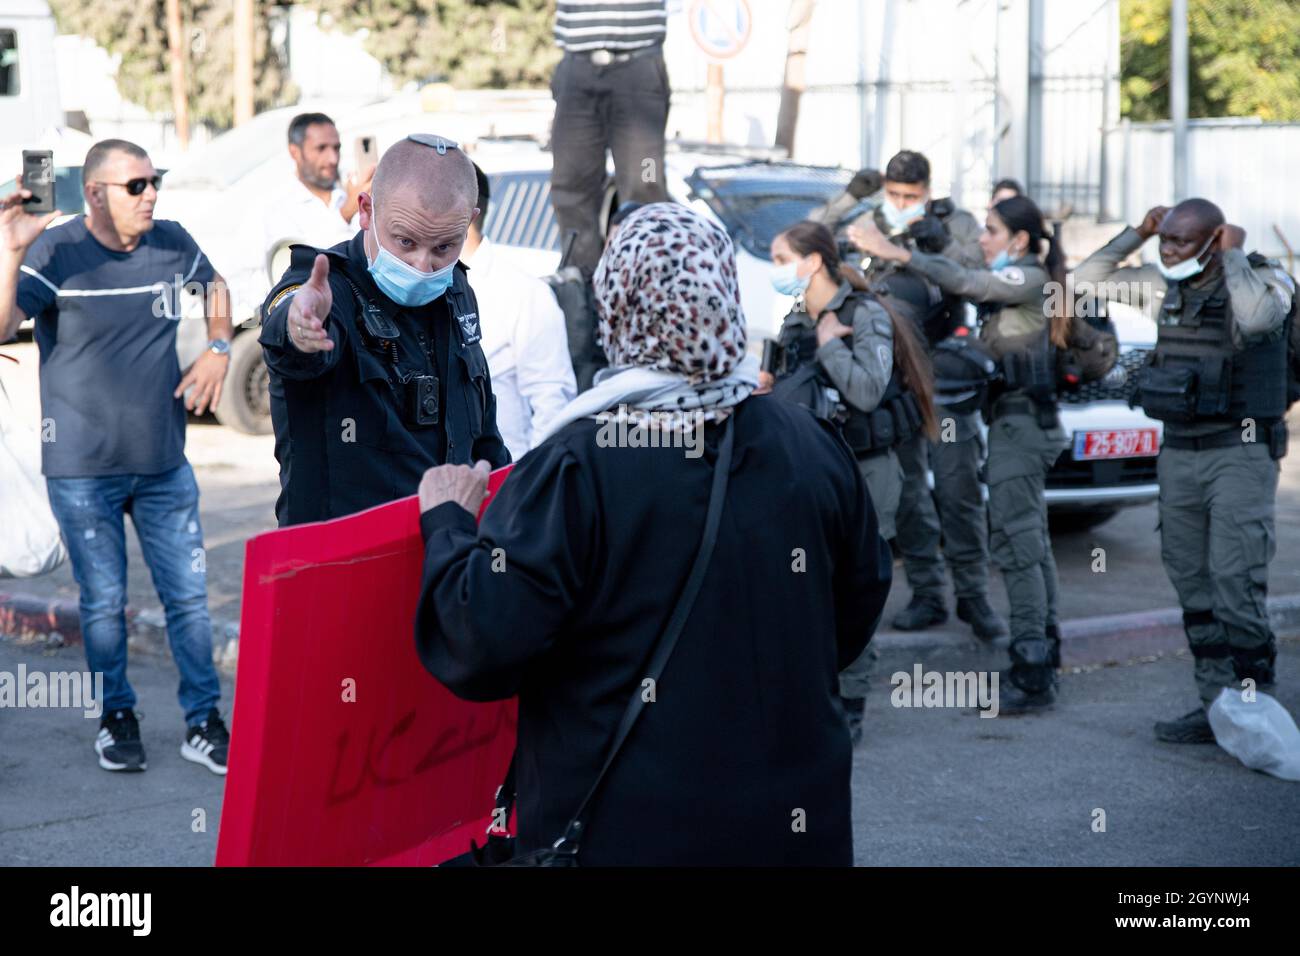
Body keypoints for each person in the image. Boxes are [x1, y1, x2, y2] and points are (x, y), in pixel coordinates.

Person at [413, 204, 890, 865]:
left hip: (624, 832)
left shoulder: (577, 466)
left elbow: (481, 642)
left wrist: (446, 526)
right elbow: (857, 605)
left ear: (618, 307)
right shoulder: (808, 444)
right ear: (721, 294)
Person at [0, 139, 232, 773]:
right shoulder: (58, 249)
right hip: (81, 469)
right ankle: (116, 716)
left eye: (154, 181)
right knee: (102, 604)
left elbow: (216, 287)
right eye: (136, 186)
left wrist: (218, 349)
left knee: (187, 597)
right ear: (96, 194)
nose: (151, 193)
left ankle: (203, 722)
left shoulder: (172, 241)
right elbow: (2, 326)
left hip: (164, 465)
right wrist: (14, 245)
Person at [1075, 199, 1292, 743]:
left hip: (1239, 451)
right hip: (1180, 451)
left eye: (1179, 241)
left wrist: (1235, 254)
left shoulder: (1264, 277)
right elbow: (1085, 280)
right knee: (1192, 581)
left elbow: (1258, 319)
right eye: (1164, 240)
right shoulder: (1164, 283)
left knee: (1235, 579)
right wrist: (1138, 232)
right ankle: (1214, 703)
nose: (1168, 251)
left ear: (1214, 237)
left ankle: (1254, 707)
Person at [853, 195, 1072, 712]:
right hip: (1011, 423)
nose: (982, 238)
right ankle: (1043, 653)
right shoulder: (1023, 274)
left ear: (1018, 239)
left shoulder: (1030, 278)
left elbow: (969, 282)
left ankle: (1032, 671)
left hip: (1023, 428)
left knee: (1018, 547)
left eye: (992, 230)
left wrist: (900, 252)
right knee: (1031, 543)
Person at [259, 134, 509, 527]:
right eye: (405, 241)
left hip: (448, 553)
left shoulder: (457, 290)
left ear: (470, 222)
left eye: (444, 247)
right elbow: (289, 324)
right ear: (365, 210)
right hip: (347, 566)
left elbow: (483, 436)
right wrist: (299, 327)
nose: (422, 266)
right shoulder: (327, 287)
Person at [761, 220, 936, 743]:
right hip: (807, 470)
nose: (776, 271)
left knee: (851, 592)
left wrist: (830, 345)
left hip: (865, 472)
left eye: (780, 259)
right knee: (800, 587)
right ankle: (811, 693)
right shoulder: (797, 317)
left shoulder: (863, 315)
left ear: (812, 262)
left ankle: (851, 703)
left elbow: (865, 391)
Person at [848, 150, 1005, 641]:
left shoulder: (954, 222)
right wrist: (847, 200)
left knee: (958, 490)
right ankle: (928, 594)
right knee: (909, 493)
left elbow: (974, 274)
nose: (900, 203)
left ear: (927, 190)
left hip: (944, 374)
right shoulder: (873, 221)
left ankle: (974, 597)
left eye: (909, 196)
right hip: (893, 373)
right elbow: (815, 243)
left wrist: (929, 246)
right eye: (893, 195)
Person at [462, 163, 576, 460]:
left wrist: (525, 489)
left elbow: (552, 406)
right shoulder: (420, 286)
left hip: (504, 487)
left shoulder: (522, 292)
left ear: (464, 213)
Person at [232, 112, 375, 320]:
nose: (332, 158)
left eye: (336, 148)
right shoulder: (271, 209)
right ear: (295, 152)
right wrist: (276, 316)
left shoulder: (355, 198)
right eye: (321, 148)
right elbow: (240, 279)